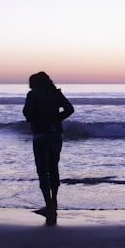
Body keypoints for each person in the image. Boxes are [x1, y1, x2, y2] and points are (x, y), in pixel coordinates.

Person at [23, 71, 74, 225]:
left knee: (42, 170)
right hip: (56, 134)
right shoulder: (56, 93)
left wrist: (33, 117)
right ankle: (54, 202)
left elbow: (28, 114)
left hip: (40, 135)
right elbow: (70, 109)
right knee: (53, 168)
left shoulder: (33, 95)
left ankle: (49, 206)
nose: (29, 85)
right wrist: (56, 119)